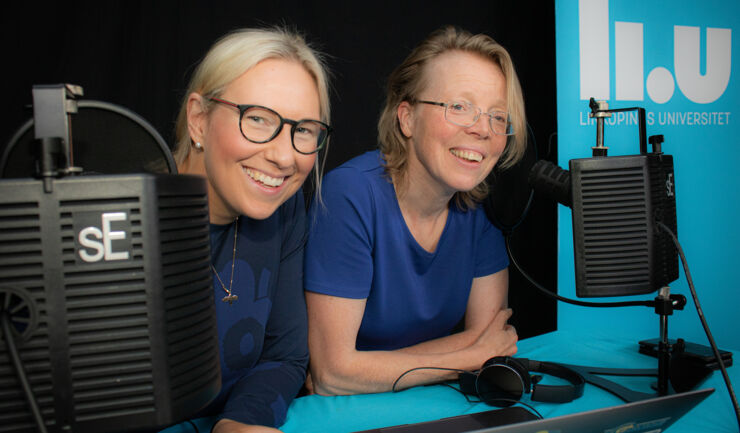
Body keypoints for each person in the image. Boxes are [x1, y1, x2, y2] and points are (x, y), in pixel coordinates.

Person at [304, 26, 527, 396]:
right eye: (459, 107)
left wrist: (370, 368)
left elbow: (493, 343)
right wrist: (465, 358)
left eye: (498, 116)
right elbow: (332, 375)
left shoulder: (478, 206)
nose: (483, 130)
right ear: (406, 118)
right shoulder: (351, 196)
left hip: (433, 404)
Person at [172, 27, 331, 432]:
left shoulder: (286, 208)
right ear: (198, 120)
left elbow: (284, 356)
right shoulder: (110, 223)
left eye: (304, 130)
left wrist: (241, 422)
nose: (283, 156)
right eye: (257, 119)